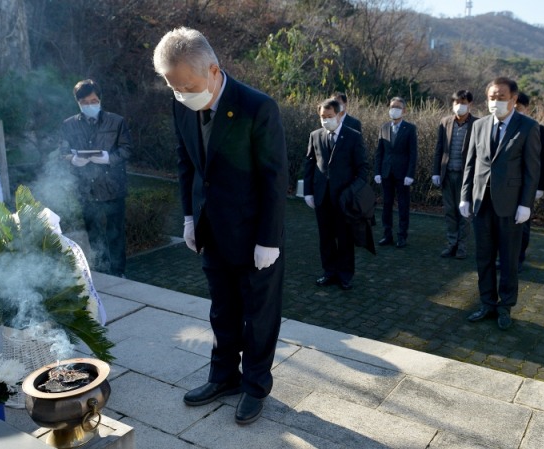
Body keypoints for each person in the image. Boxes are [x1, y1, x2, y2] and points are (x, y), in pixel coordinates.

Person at [153, 27, 288, 425]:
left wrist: (268, 240)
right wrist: (189, 217)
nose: (181, 95)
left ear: (213, 70)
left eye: (187, 86)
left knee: (259, 316)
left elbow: (274, 178)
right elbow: (186, 163)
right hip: (211, 230)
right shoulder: (181, 103)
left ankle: (255, 385)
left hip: (254, 234)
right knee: (222, 311)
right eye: (173, 87)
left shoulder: (257, 107)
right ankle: (224, 377)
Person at [460, 77, 541, 330]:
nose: (496, 102)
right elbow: (470, 163)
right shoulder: (480, 125)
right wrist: (465, 196)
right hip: (481, 202)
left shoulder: (528, 127)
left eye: (501, 97)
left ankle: (505, 306)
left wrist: (526, 204)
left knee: (508, 259)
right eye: (492, 97)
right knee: (483, 257)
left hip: (510, 206)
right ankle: (486, 302)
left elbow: (532, 169)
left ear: (514, 99)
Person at [60, 79, 130, 278]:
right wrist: (73, 159)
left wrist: (108, 158)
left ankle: (118, 272)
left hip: (113, 186)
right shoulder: (69, 124)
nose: (90, 105)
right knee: (93, 232)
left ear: (100, 99)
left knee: (115, 233)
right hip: (86, 187)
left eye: (94, 100)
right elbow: (62, 151)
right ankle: (101, 271)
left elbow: (127, 150)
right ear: (78, 102)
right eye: (85, 102)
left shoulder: (116, 122)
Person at [304, 98, 368, 291]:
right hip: (322, 196)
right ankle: (329, 271)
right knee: (326, 237)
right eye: (322, 117)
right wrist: (308, 192)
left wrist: (350, 192)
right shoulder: (315, 135)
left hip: (344, 198)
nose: (325, 120)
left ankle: (345, 275)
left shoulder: (353, 136)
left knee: (345, 237)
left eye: (329, 116)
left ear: (339, 115)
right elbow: (309, 164)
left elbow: (363, 170)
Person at [432, 90, 477, 259]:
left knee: (464, 213)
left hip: (466, 177)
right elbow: (439, 149)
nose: (459, 106)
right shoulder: (445, 122)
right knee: (450, 211)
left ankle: (462, 247)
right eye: (456, 103)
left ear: (470, 104)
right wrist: (436, 172)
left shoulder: (477, 124)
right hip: (447, 174)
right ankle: (451, 243)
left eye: (463, 103)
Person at [374, 97, 417, 248]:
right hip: (386, 173)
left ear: (404, 111)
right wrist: (377, 171)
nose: (394, 109)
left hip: (403, 174)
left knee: (403, 205)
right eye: (392, 106)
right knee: (386, 205)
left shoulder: (410, 129)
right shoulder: (384, 127)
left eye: (398, 107)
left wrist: (410, 174)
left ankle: (402, 236)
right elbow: (379, 152)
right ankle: (387, 235)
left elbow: (413, 154)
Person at [514, 92, 544, 271]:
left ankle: (519, 257)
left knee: (523, 224)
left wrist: (540, 186)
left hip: (527, 185)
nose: (515, 109)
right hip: (505, 185)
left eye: (519, 107)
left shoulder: (536, 127)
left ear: (526, 108)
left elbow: (542, 159)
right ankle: (502, 256)